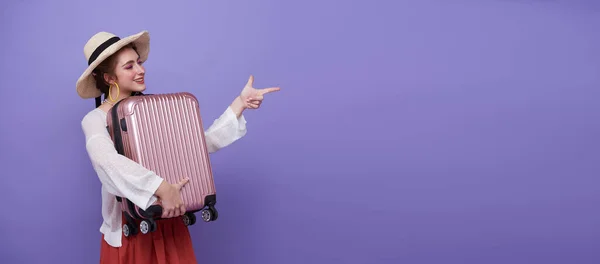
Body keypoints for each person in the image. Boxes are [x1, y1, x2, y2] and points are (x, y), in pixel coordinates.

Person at [76, 30, 280, 263]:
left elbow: (194, 147)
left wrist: (239, 105)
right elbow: (106, 161)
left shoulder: (151, 109)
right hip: (131, 229)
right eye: (129, 66)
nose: (141, 70)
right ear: (109, 78)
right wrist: (161, 187)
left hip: (170, 217)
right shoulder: (95, 119)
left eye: (139, 62)